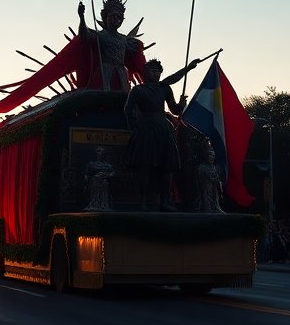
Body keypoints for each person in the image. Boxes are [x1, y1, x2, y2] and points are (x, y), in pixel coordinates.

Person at [123, 57, 200, 210]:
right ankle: (143, 201)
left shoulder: (164, 89)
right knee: (144, 165)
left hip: (163, 128)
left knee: (167, 166)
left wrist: (181, 104)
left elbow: (174, 110)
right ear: (145, 72)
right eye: (152, 70)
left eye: (158, 71)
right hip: (145, 128)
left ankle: (165, 201)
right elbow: (127, 109)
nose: (156, 73)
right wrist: (134, 126)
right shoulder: (138, 90)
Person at [77, 0, 142, 91]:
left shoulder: (124, 39)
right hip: (104, 73)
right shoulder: (100, 35)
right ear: (105, 16)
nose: (116, 19)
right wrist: (82, 17)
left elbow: (134, 59)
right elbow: (84, 36)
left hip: (121, 74)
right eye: (113, 16)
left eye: (119, 17)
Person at [84, 146, 115, 211]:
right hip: (95, 182)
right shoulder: (91, 164)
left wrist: (106, 175)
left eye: (102, 152)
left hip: (104, 182)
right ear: (96, 154)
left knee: (103, 193)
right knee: (95, 192)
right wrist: (85, 182)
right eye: (98, 151)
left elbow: (113, 173)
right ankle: (94, 205)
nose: (100, 153)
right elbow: (87, 174)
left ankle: (103, 205)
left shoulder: (108, 165)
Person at [196, 144, 224, 213]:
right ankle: (206, 208)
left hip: (214, 189)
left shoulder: (215, 168)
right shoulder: (202, 167)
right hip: (205, 188)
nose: (211, 158)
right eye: (210, 156)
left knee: (215, 196)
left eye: (213, 156)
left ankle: (216, 207)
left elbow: (217, 179)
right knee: (205, 196)